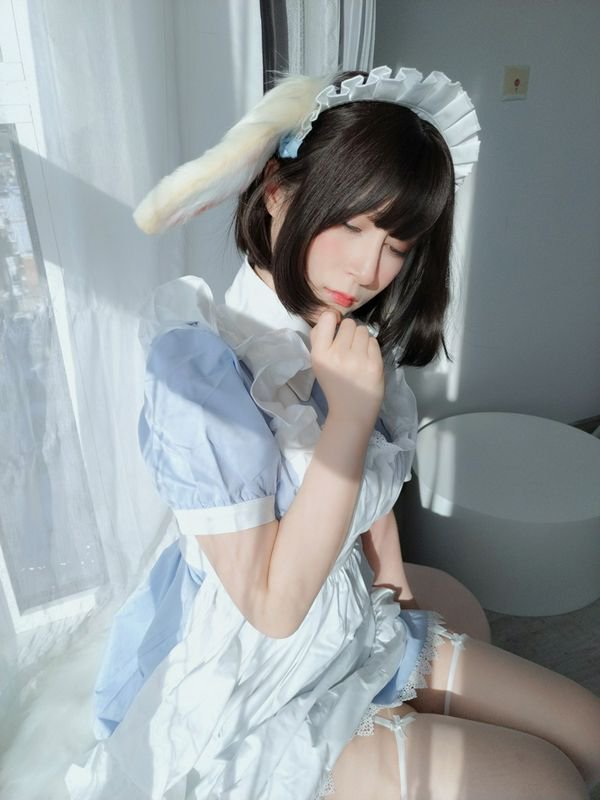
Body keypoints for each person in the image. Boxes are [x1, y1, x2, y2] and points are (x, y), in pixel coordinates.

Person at [65, 66, 600, 800]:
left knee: (588, 736)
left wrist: (395, 590)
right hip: (259, 684)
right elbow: (273, 609)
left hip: (351, 622)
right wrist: (347, 416)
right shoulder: (200, 369)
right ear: (277, 190)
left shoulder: (342, 331)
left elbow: (374, 494)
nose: (370, 268)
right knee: (551, 782)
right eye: (351, 225)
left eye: (398, 244)